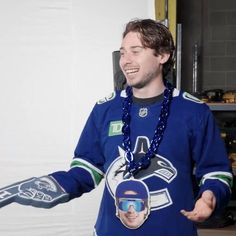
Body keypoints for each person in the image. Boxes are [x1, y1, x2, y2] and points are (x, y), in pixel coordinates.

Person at [0, 18, 233, 236]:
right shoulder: (106, 109)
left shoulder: (193, 111)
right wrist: (53, 186)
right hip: (111, 230)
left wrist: (210, 196)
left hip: (172, 229)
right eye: (122, 53)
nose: (126, 60)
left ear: (162, 55)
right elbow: (87, 169)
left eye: (135, 51)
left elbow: (216, 171)